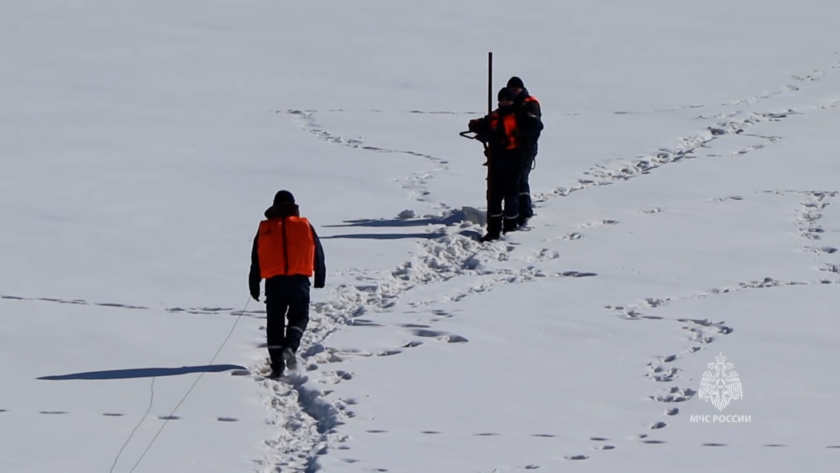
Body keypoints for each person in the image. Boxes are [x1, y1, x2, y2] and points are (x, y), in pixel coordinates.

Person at [249, 190, 326, 379]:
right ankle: (290, 347)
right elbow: (317, 251)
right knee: (299, 317)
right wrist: (320, 277)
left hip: (274, 284)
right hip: (299, 282)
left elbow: (256, 258)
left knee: (274, 324)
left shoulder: (265, 228)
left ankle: (277, 367)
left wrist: (254, 284)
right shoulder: (305, 225)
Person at [468, 87, 543, 241]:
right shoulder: (494, 116)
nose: (505, 102)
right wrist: (479, 128)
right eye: (502, 99)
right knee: (493, 196)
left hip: (515, 160)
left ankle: (510, 226)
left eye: (508, 99)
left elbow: (537, 126)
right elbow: (483, 127)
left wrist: (518, 135)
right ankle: (493, 230)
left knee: (511, 196)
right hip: (496, 161)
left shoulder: (521, 114)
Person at [505, 76, 542, 226]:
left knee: (521, 179)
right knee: (512, 180)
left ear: (521, 88)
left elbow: (535, 125)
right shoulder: (509, 103)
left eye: (516, 89)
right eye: (511, 89)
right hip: (510, 148)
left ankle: (525, 211)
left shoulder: (530, 103)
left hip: (526, 147)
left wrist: (520, 133)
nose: (514, 91)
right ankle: (515, 210)